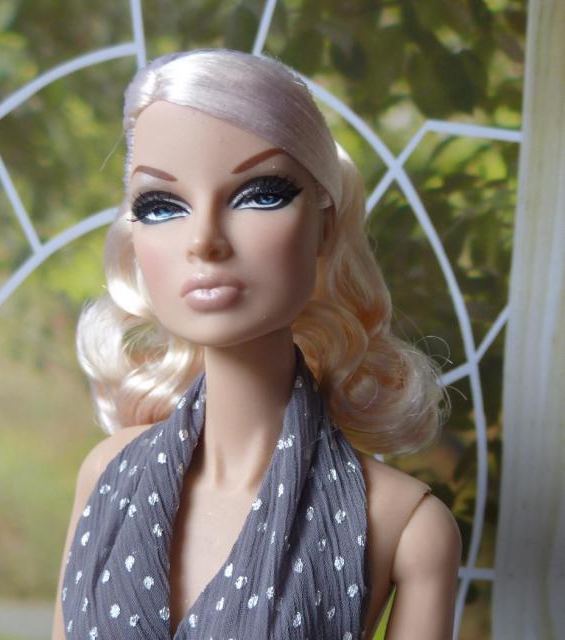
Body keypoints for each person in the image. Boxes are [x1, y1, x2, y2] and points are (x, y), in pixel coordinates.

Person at [51, 49, 461, 639]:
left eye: (260, 194)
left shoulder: (405, 526)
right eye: (161, 206)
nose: (205, 241)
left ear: (324, 224)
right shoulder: (107, 472)